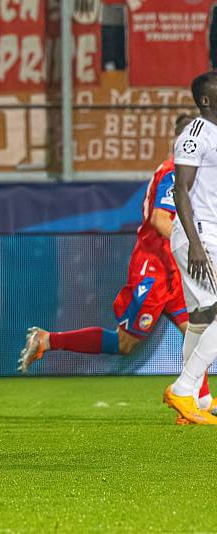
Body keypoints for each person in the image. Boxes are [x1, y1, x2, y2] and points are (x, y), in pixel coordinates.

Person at [18, 115, 215, 421]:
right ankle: (48, 339)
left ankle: (197, 400)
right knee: (126, 344)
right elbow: (160, 219)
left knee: (197, 328)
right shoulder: (172, 172)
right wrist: (195, 245)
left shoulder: (188, 173)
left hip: (174, 269)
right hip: (153, 269)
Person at [164, 71, 217, 424]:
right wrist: (195, 244)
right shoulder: (195, 134)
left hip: (210, 234)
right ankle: (184, 388)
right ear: (206, 100)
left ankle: (193, 404)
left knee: (200, 319)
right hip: (197, 235)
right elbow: (181, 189)